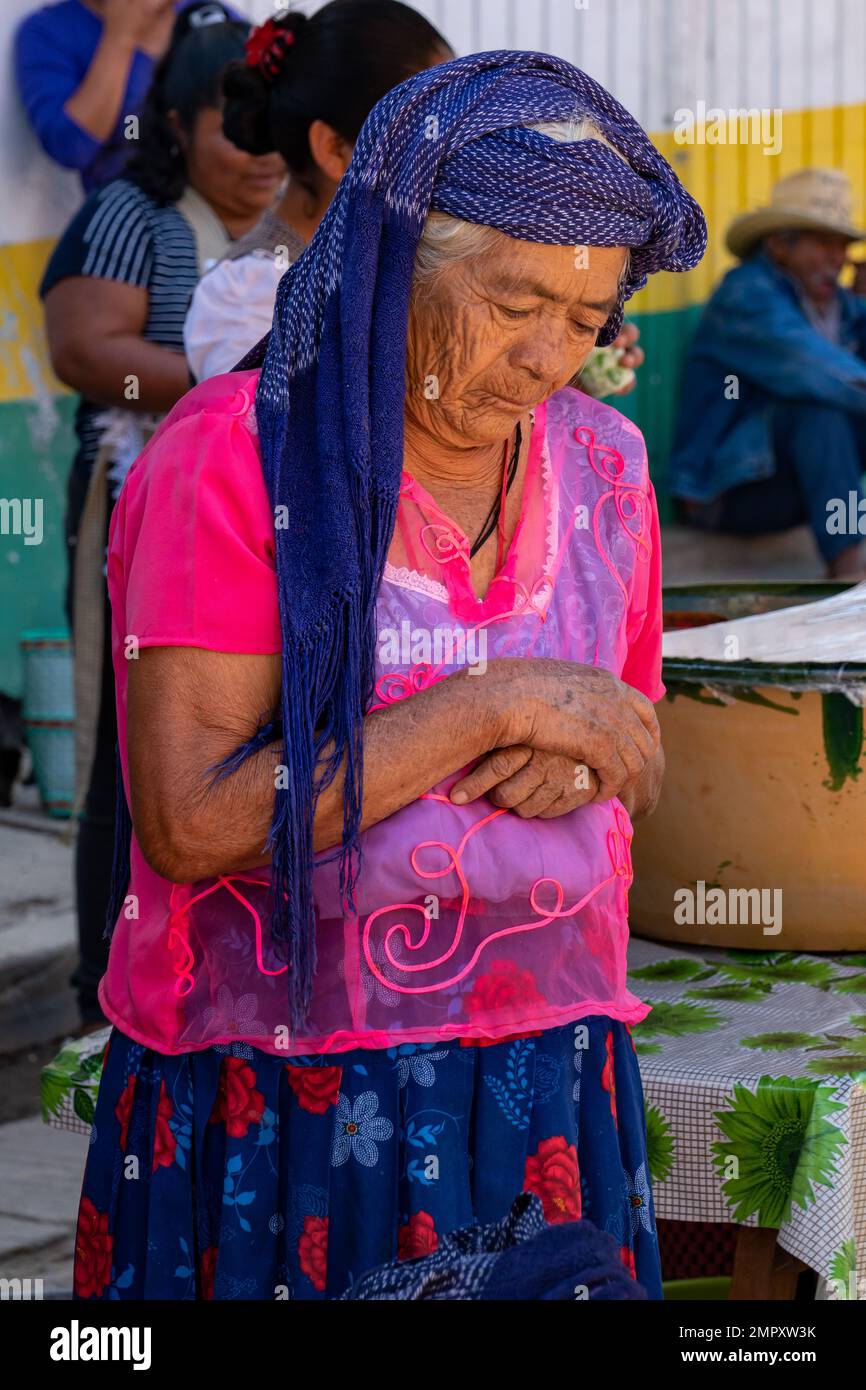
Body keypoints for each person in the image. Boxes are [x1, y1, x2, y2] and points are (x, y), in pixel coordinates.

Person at [72, 50, 705, 1302]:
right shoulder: (235, 461)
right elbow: (193, 821)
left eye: (583, 322)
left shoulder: (608, 467)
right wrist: (492, 702)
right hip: (298, 1091)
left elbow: (633, 741)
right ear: (395, 264)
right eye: (512, 302)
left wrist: (580, 749)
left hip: (544, 1068)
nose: (543, 359)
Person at [41, 2, 283, 1030]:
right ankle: (110, 979)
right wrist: (236, 384)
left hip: (266, 517)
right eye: (231, 128)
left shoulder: (309, 216)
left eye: (269, 126)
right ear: (175, 127)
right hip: (143, 511)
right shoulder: (129, 218)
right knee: (135, 749)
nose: (255, 153)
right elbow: (85, 351)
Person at [184, 0, 454, 382]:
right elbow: (267, 433)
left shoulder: (411, 255)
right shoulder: (249, 297)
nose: (454, 150)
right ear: (333, 149)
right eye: (428, 131)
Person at [668, 168, 866, 579]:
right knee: (820, 411)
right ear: (779, 245)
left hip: (794, 486)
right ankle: (849, 566)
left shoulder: (840, 306)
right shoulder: (746, 296)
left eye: (843, 245)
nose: (837, 258)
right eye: (823, 243)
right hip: (725, 492)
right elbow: (815, 369)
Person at [14, 0, 241, 192]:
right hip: (132, 215)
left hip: (226, 210)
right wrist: (120, 39)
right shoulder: (51, 30)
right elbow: (72, 147)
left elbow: (252, 116)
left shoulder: (209, 16)